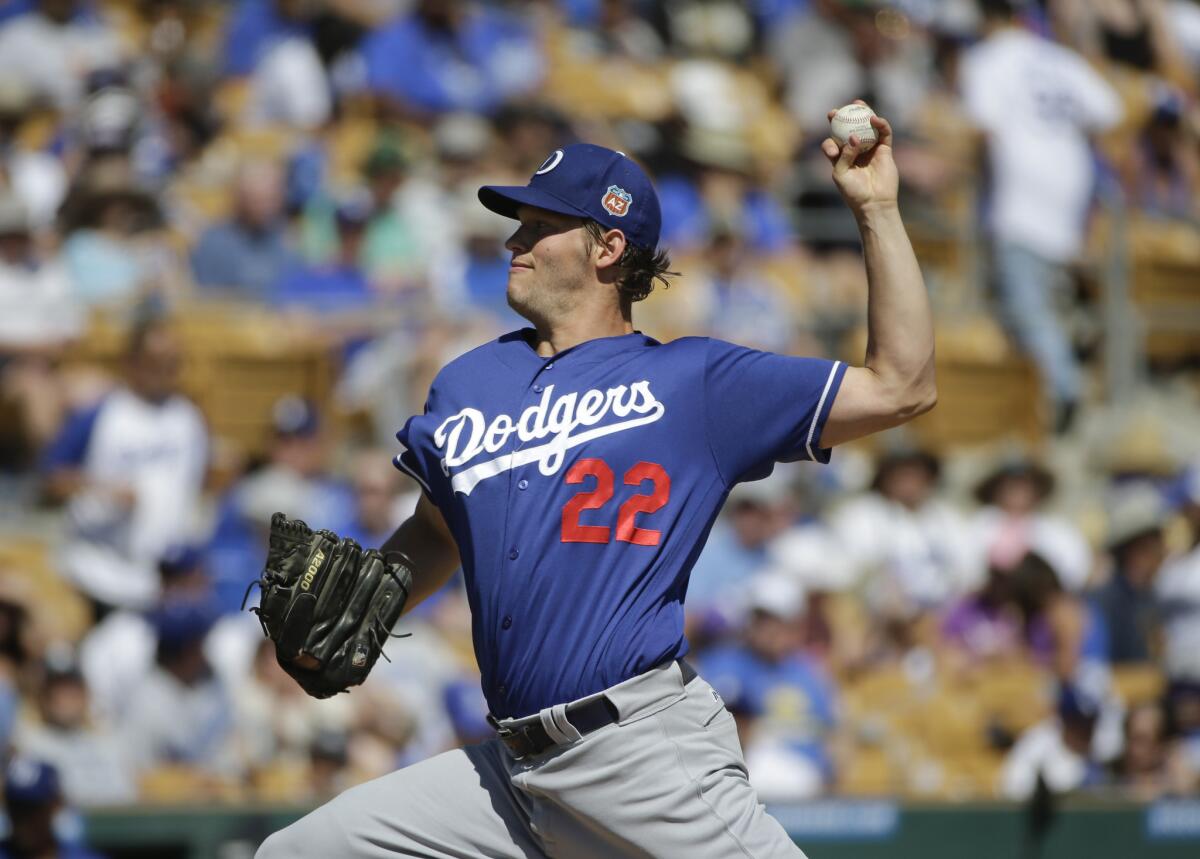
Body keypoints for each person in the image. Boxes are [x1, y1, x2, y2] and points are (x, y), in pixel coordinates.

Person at [257, 103, 936, 857]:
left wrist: (875, 209)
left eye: (540, 225)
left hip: (640, 752)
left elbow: (901, 385)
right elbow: (439, 528)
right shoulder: (468, 382)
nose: (514, 239)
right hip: (513, 773)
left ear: (609, 246)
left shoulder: (696, 382)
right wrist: (370, 604)